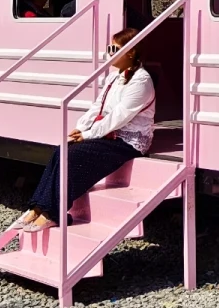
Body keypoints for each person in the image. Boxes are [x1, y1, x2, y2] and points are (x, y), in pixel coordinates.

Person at [14, 27, 154, 233]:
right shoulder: (114, 77)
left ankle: (52, 213)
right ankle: (37, 207)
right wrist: (80, 128)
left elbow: (119, 116)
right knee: (62, 149)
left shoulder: (141, 81)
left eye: (113, 48)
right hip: (108, 135)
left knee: (74, 155)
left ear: (130, 52)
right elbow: (98, 106)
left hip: (128, 141)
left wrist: (88, 135)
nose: (108, 53)